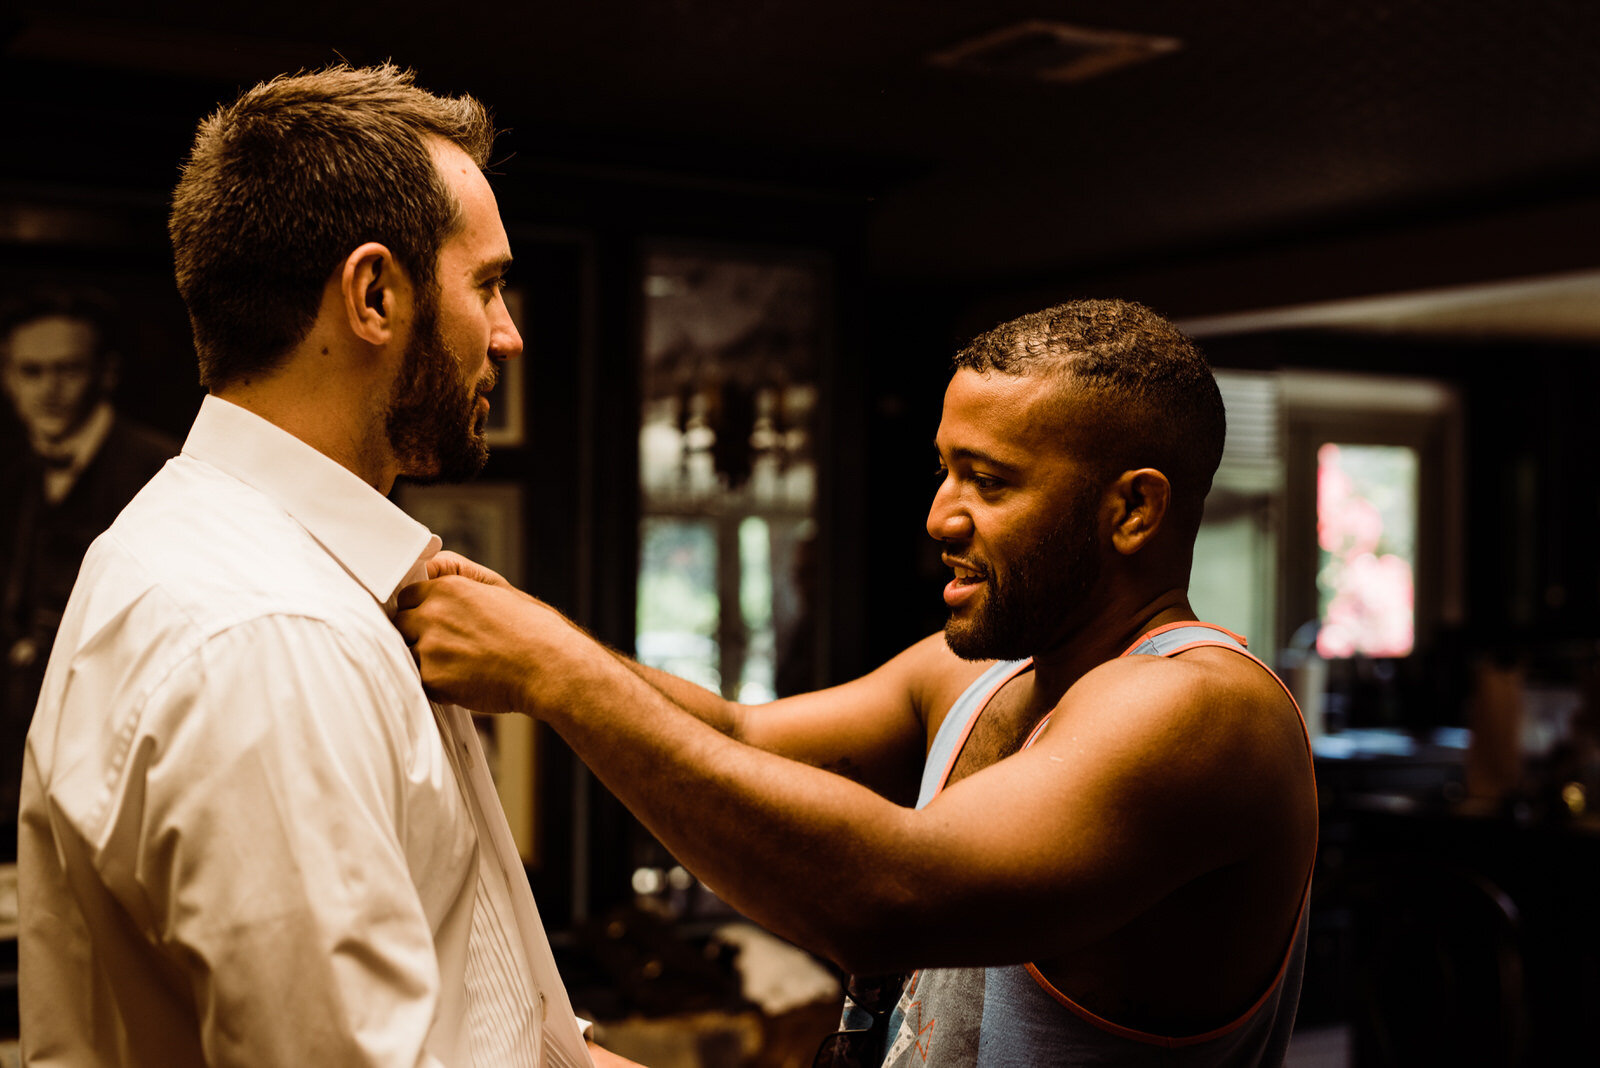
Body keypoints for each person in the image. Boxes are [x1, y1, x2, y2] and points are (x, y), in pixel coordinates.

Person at [397, 299, 1320, 1066]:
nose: (938, 518)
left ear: (1132, 509)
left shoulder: (1201, 711)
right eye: (944, 470)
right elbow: (739, 736)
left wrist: (554, 674)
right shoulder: (981, 676)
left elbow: (892, 900)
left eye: (990, 482)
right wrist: (528, 628)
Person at [17, 65, 629, 1068]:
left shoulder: (257, 574)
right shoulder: (269, 635)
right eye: (488, 284)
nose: (509, 335)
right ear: (375, 295)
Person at [0, 290, 177, 860]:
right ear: (8, 377)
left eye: (67, 370)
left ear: (106, 374)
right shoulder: (11, 475)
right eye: (31, 371)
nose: (48, 389)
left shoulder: (163, 474)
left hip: (121, 773)